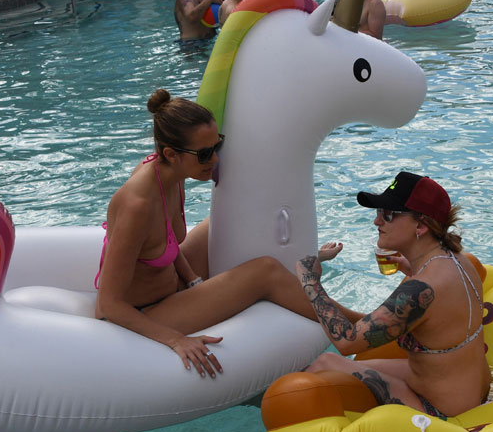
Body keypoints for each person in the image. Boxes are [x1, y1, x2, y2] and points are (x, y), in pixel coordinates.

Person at [96, 89, 344, 376]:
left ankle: (302, 259)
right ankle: (358, 326)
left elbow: (165, 243)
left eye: (217, 146)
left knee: (229, 220)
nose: (214, 159)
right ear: (170, 154)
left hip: (173, 285)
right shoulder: (135, 204)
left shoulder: (171, 176)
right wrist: (176, 340)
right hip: (141, 313)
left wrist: (193, 281)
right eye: (203, 154)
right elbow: (109, 303)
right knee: (264, 271)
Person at [294, 172, 490, 420]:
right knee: (339, 366)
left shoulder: (422, 288)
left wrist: (309, 280)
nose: (377, 222)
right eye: (378, 213)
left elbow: (346, 341)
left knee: (324, 364)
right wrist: (412, 266)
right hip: (466, 388)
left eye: (388, 214)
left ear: (421, 225)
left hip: (442, 410)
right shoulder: (456, 259)